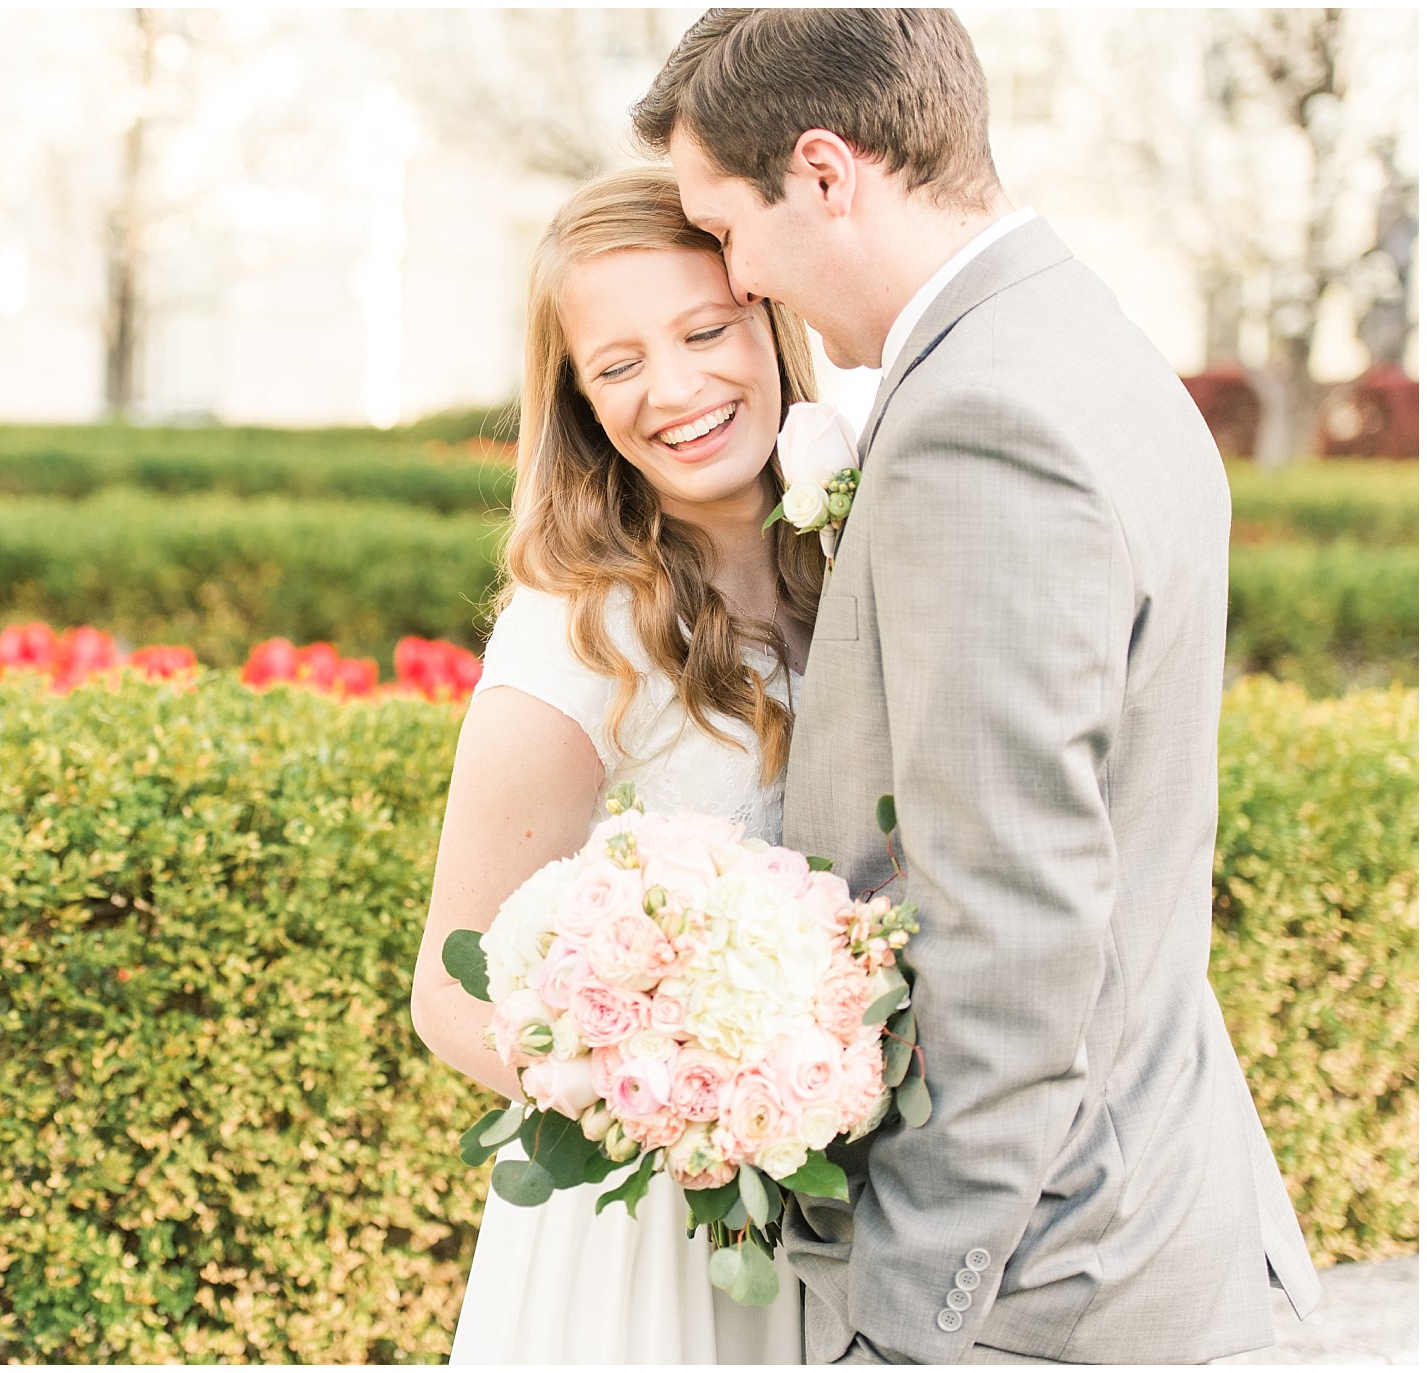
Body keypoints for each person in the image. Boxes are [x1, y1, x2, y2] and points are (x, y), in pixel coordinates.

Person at [629, 8, 1323, 1365]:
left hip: (1041, 1279)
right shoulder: (1078, 336)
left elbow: (1011, 909)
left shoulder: (977, 420)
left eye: (725, 227)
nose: (739, 274)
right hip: (1126, 1211)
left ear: (826, 173)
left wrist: (911, 1310)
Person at [409, 164, 822, 1363]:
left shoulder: (852, 564)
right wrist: (664, 1097)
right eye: (618, 362)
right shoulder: (576, 629)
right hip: (649, 1233)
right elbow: (447, 989)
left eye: (704, 330)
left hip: (846, 1208)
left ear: (770, 324)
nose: (676, 388)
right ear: (581, 402)